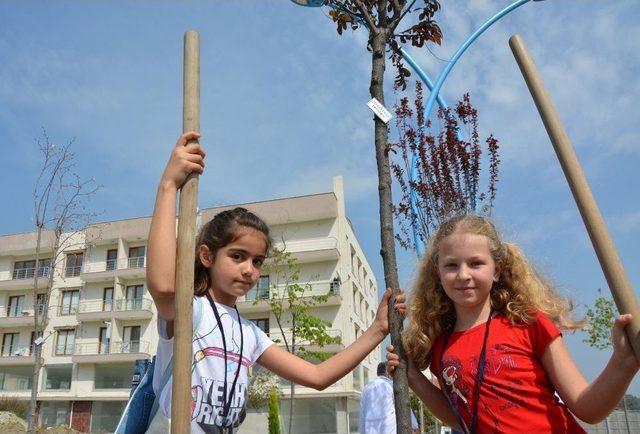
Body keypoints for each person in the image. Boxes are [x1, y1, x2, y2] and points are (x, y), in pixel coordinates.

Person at [146, 132, 405, 433]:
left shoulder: (251, 335)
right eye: (238, 256)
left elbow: (317, 376)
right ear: (206, 256)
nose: (249, 270)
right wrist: (168, 187)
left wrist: (377, 330)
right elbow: (163, 285)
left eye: (257, 261)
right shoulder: (192, 311)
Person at [386, 215, 639, 434]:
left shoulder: (528, 323)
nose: (463, 274)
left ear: (497, 270)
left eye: (476, 263)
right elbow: (464, 418)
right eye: (452, 265)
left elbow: (588, 408)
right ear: (437, 274)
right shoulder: (441, 347)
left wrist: (623, 362)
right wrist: (413, 378)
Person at [360, 362, 419, 434]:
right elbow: (405, 407)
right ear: (388, 373)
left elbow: (362, 415)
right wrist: (414, 425)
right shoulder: (392, 385)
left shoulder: (366, 388)